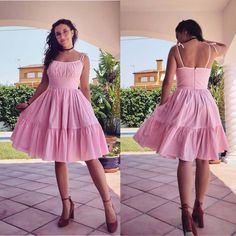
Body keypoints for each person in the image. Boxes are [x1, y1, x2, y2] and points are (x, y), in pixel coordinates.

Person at [11, 19, 117, 233]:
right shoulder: (51, 58)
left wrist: (89, 115)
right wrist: (30, 103)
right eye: (57, 34)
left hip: (76, 107)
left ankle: (108, 205)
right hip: (54, 108)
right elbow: (44, 84)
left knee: (91, 157)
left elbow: (85, 88)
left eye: (64, 32)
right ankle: (66, 204)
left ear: (72, 32)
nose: (61, 36)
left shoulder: (83, 58)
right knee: (60, 158)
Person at [134, 19, 228, 236]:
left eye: (178, 34)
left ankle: (185, 212)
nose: (177, 39)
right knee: (204, 158)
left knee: (186, 158)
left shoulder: (176, 50)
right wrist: (204, 41)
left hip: (183, 102)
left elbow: (167, 82)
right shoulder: (211, 49)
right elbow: (225, 46)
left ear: (185, 31)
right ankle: (200, 207)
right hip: (204, 103)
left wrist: (162, 107)